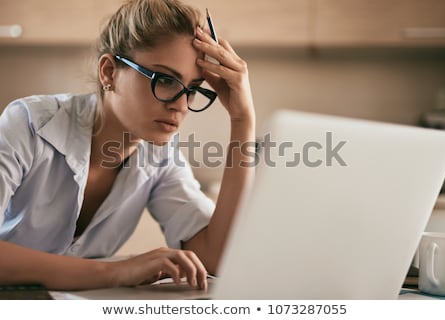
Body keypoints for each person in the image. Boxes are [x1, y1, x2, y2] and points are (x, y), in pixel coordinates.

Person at [0, 0, 255, 291]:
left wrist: (242, 118)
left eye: (193, 89)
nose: (181, 105)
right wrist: (116, 272)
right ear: (109, 71)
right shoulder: (28, 124)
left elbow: (218, 258)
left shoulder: (161, 157)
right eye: (165, 80)